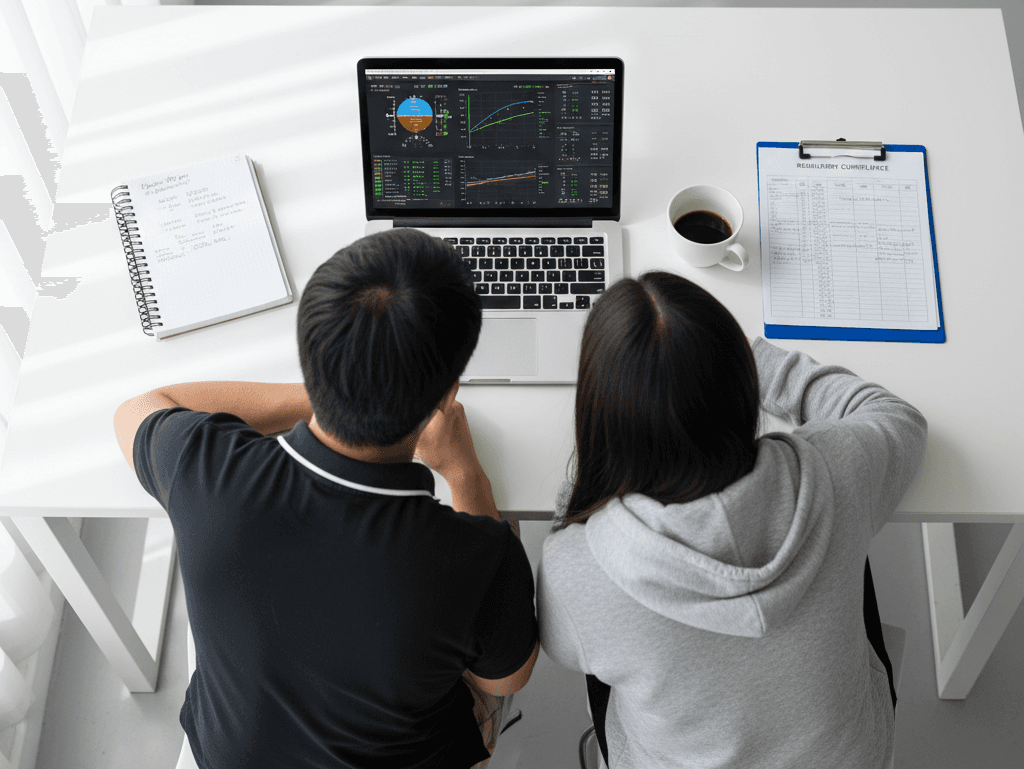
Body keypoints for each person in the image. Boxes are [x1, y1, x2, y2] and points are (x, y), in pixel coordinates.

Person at [114, 228, 539, 769]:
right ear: (447, 393)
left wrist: (331, 391)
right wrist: (462, 470)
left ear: (309, 356)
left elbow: (138, 409)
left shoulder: (206, 470)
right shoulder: (478, 555)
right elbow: (506, 676)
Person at [536, 272, 926, 769]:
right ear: (742, 387)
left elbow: (563, 648)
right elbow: (896, 416)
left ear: (605, 423)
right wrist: (756, 359)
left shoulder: (580, 566)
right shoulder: (837, 470)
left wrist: (584, 482)